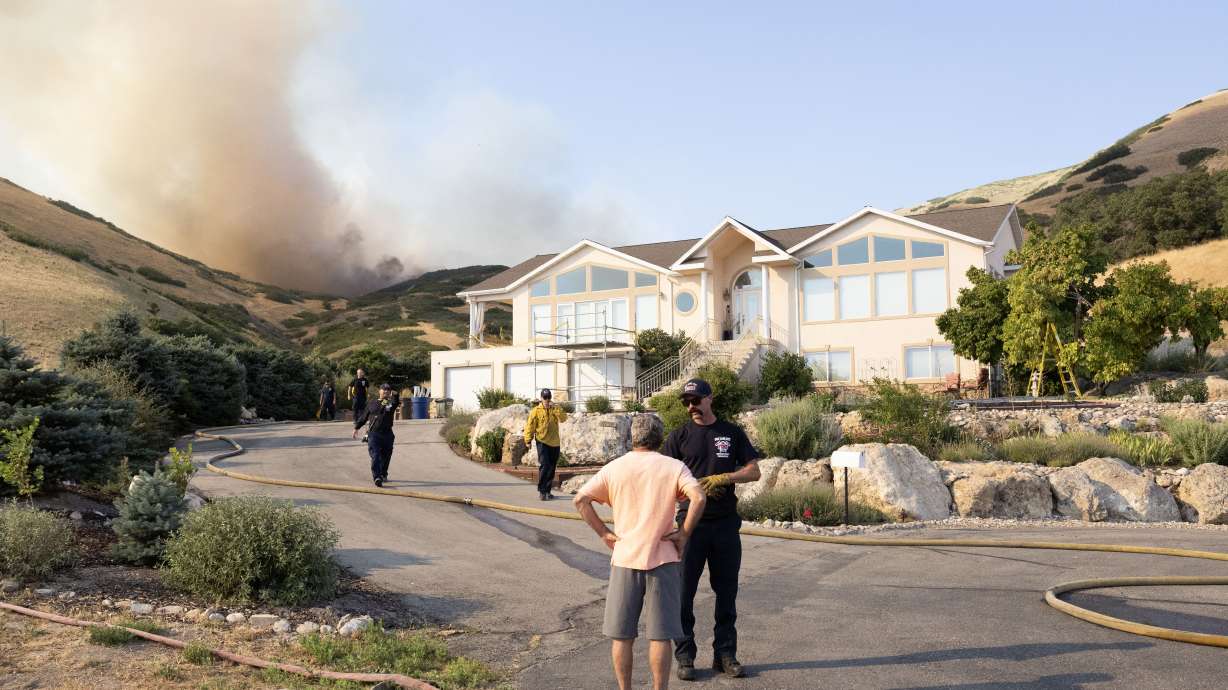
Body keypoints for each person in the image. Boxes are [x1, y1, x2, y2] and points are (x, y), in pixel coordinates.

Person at [575, 415, 707, 690]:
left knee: (622, 635)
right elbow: (699, 497)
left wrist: (603, 533)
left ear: (632, 437)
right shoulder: (673, 467)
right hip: (663, 557)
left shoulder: (615, 468)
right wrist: (684, 533)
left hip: (625, 556)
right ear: (660, 438)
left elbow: (581, 500)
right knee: (660, 636)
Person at [662, 378, 761, 681]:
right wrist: (685, 493)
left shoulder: (730, 433)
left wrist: (726, 478)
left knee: (726, 593)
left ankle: (725, 654)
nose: (691, 406)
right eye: (686, 402)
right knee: (683, 594)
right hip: (689, 527)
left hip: (725, 525)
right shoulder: (679, 437)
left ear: (710, 399)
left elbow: (754, 471)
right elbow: (662, 478)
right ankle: (685, 656)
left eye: (696, 400)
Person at [523, 388, 567, 501]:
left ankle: (548, 491)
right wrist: (528, 440)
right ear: (541, 398)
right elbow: (530, 426)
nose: (547, 400)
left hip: (554, 442)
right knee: (545, 465)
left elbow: (563, 418)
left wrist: (556, 408)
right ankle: (542, 491)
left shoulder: (555, 409)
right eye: (545, 398)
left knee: (552, 467)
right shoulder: (536, 411)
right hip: (542, 441)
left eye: (549, 397)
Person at [352, 382, 399, 487]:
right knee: (376, 456)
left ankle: (383, 473)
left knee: (386, 456)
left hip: (388, 434)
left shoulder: (390, 403)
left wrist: (395, 394)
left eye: (388, 389)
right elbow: (364, 417)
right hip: (374, 434)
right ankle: (377, 477)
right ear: (380, 391)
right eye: (384, 389)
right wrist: (356, 428)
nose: (386, 391)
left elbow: (396, 401)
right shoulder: (372, 403)